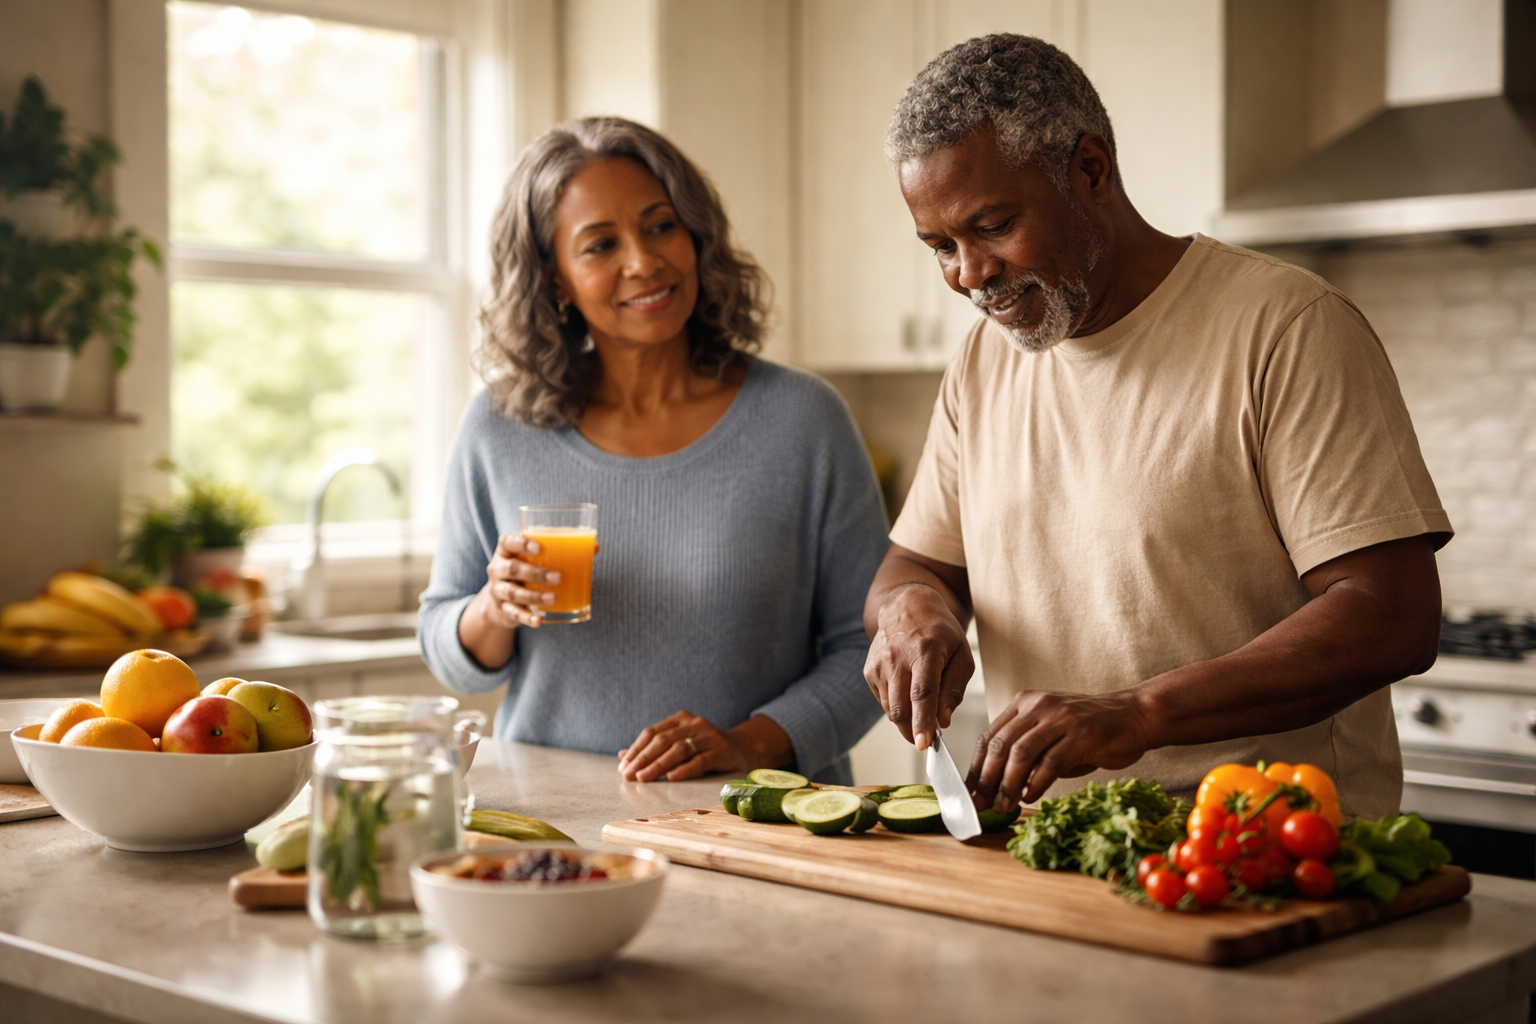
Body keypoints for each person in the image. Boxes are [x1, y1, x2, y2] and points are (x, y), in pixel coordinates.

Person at [863, 35, 1451, 819]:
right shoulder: (982, 362)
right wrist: (913, 611)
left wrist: (1138, 714)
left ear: (1091, 170)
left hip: (1267, 846)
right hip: (1053, 845)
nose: (969, 274)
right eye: (941, 246)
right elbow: (915, 569)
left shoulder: (1287, 326)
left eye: (993, 226)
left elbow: (1391, 615)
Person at [419, 117, 888, 785]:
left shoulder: (802, 420)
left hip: (754, 820)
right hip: (554, 824)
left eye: (661, 226)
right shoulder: (499, 425)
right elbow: (445, 642)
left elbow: (873, 649)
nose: (643, 262)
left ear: (696, 236)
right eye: (600, 245)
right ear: (555, 279)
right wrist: (492, 609)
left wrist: (747, 745)